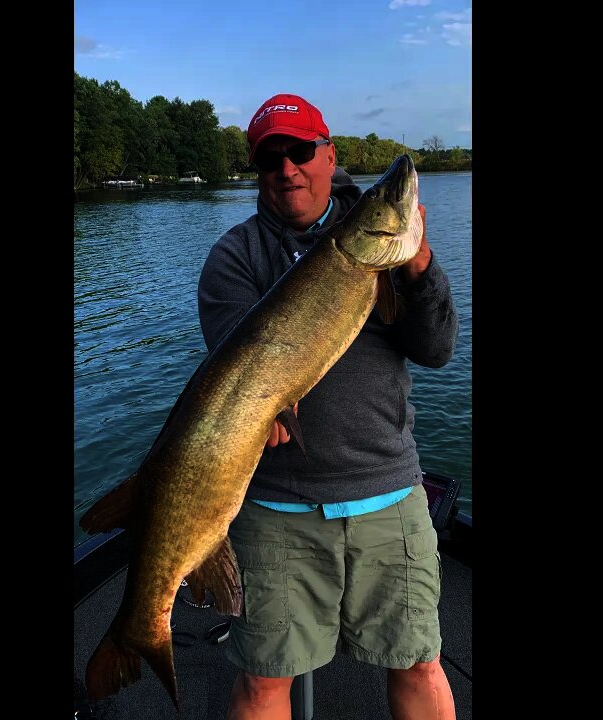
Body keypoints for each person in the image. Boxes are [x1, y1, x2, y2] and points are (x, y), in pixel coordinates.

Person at [196, 94, 460, 719]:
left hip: (390, 493)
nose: (287, 168)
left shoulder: (380, 240)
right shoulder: (234, 258)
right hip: (276, 509)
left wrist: (419, 266)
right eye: (270, 158)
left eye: (300, 151)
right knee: (264, 681)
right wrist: (262, 419)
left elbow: (437, 349)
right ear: (258, 171)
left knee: (419, 661)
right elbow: (242, 379)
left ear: (328, 154)